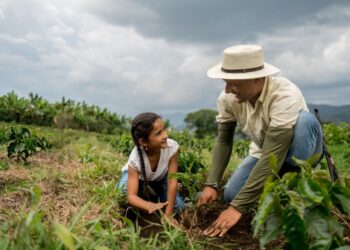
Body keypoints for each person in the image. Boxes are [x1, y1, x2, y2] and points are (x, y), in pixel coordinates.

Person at [197, 44, 323, 237]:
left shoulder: (284, 94)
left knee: (305, 121)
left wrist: (237, 208)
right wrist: (211, 183)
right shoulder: (227, 98)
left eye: (234, 84)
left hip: (299, 151)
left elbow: (275, 153)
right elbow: (224, 140)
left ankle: (296, 180)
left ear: (257, 79)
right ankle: (272, 185)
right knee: (231, 194)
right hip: (263, 151)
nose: (228, 89)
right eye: (226, 82)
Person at [117, 112, 185, 224]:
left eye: (164, 129)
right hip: (138, 178)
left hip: (160, 179)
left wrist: (168, 215)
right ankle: (144, 195)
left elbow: (172, 182)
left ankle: (153, 194)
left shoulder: (171, 148)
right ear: (143, 142)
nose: (165, 135)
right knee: (122, 196)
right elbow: (131, 196)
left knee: (179, 206)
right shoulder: (135, 159)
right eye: (158, 134)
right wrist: (148, 205)